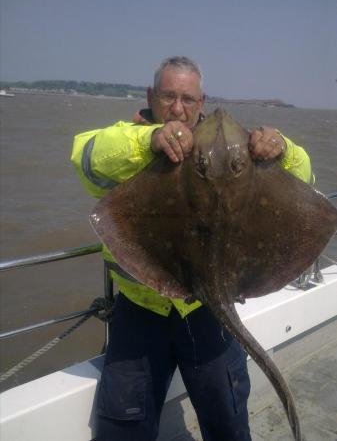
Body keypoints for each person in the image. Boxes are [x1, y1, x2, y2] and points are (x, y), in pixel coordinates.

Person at [71, 56, 312, 441]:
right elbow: (85, 157)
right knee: (123, 427)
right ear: (151, 96)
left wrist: (282, 148)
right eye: (168, 97)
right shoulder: (132, 140)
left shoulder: (238, 147)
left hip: (209, 313)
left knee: (228, 421)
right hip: (140, 314)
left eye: (188, 98)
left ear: (202, 102)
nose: (178, 109)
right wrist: (149, 140)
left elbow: (305, 184)